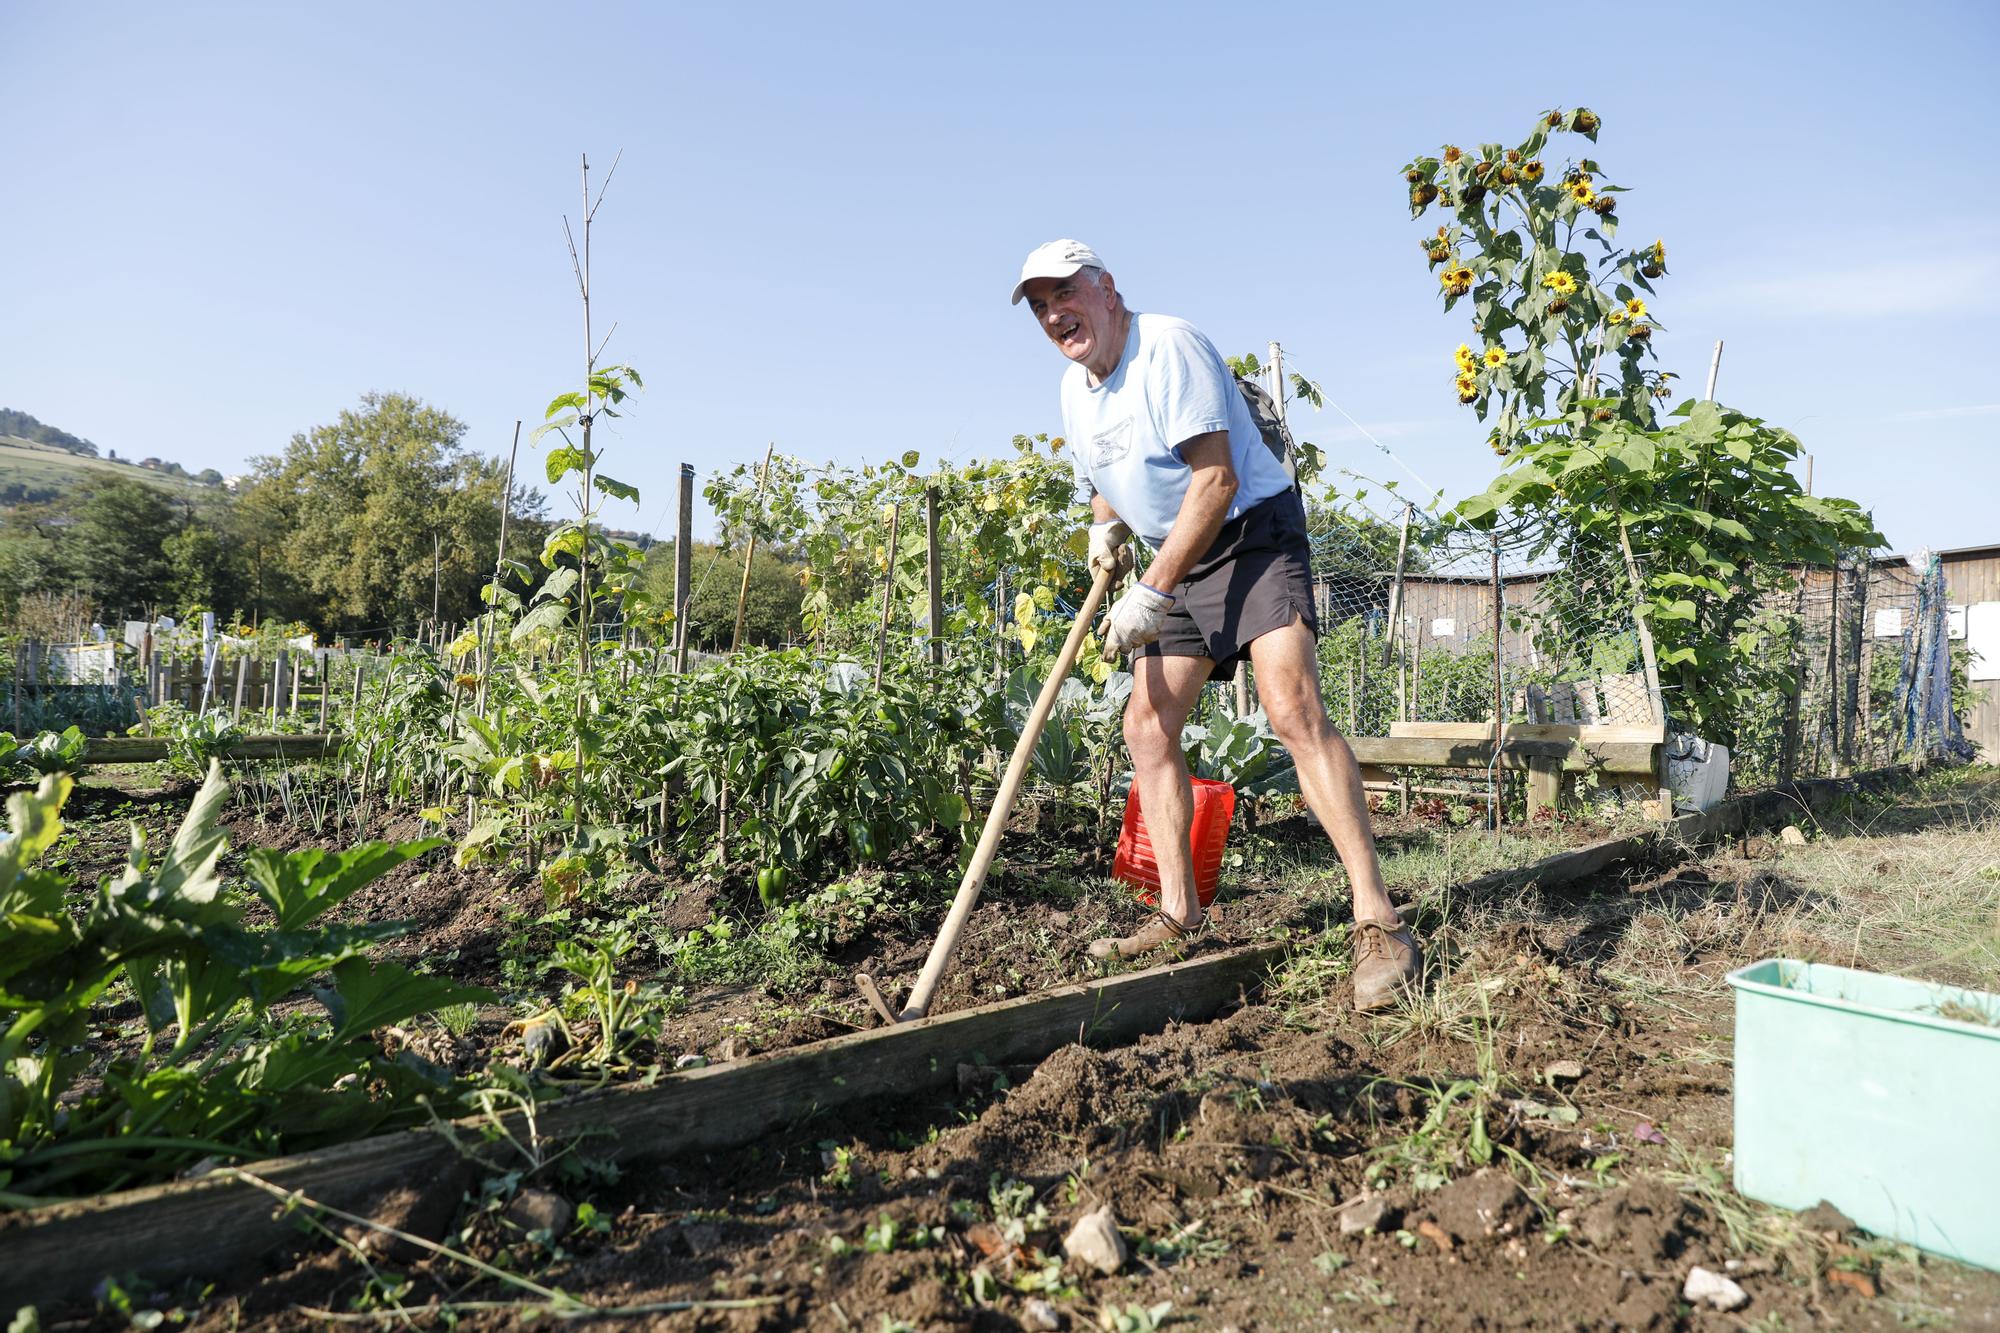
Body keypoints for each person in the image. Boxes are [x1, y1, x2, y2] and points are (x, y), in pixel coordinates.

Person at [1011, 239, 1421, 1012]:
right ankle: (1179, 911)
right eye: (1039, 305)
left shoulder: (1168, 346)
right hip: (1177, 554)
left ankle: (1378, 920)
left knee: (1290, 704)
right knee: (1147, 726)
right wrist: (1106, 527)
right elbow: (1107, 475)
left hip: (1247, 530)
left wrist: (1151, 593)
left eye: (1065, 292)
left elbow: (1217, 478)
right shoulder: (1076, 389)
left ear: (1106, 288)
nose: (1054, 312)